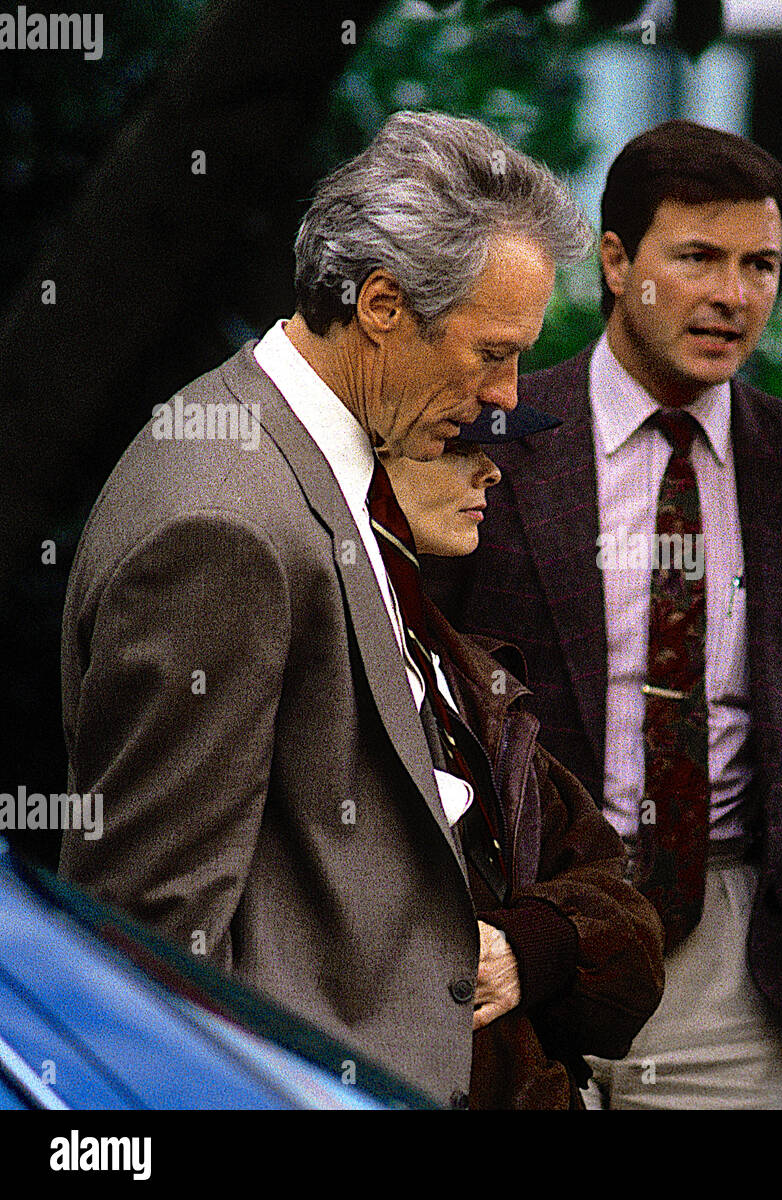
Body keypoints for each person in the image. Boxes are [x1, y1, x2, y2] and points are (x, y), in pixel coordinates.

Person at [59, 111, 592, 1108]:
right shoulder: (228, 520)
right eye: (491, 354)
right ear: (382, 305)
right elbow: (144, 939)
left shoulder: (292, 460)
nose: (504, 397)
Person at [430, 119, 782, 1108]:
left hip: (741, 963)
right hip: (514, 941)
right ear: (617, 262)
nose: (732, 295)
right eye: (697, 257)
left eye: (760, 265)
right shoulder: (491, 439)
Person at [378, 408, 664, 1108]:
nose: (492, 469)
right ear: (366, 461)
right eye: (455, 447)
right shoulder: (333, 654)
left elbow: (626, 924)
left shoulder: (463, 670)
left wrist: (528, 945)